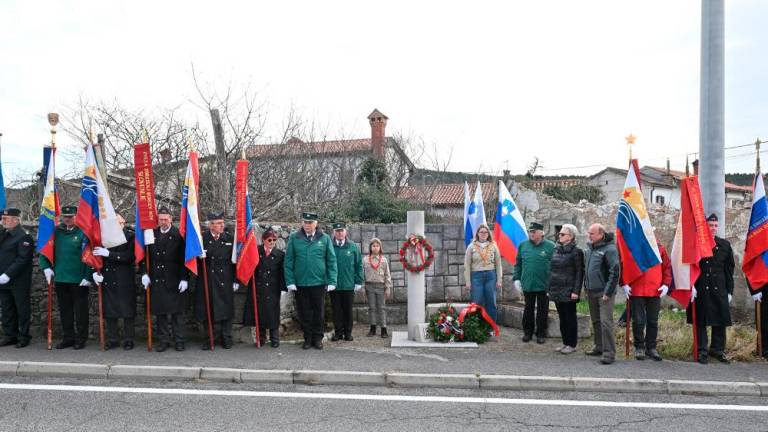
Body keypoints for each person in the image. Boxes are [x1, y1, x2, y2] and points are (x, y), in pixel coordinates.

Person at [40, 206, 93, 350]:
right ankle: (68, 337)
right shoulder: (56, 232)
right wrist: (45, 267)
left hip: (78, 278)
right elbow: (45, 249)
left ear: (77, 216)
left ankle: (81, 338)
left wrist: (88, 276)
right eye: (65, 216)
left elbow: (90, 255)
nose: (67, 219)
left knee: (81, 311)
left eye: (70, 216)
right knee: (65, 311)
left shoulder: (84, 232)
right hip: (61, 277)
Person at [284, 212, 337, 350]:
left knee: (318, 313)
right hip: (300, 284)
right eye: (305, 222)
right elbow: (288, 261)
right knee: (304, 313)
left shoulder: (324, 238)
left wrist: (332, 280)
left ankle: (317, 339)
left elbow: (331, 260)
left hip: (318, 283)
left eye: (310, 223)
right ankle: (307, 338)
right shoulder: (295, 238)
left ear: (316, 224)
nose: (307, 225)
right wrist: (290, 281)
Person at [688, 213, 734, 364]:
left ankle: (717, 349)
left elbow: (729, 270)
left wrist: (730, 291)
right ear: (705, 226)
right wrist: (691, 286)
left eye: (715, 225)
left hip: (719, 287)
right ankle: (702, 350)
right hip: (702, 286)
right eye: (710, 225)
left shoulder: (725, 245)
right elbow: (690, 266)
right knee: (702, 319)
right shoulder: (698, 243)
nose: (713, 228)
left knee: (720, 319)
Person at [141, 207, 189, 352]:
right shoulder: (151, 234)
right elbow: (145, 256)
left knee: (176, 313)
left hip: (173, 279)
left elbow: (184, 259)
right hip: (157, 280)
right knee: (160, 313)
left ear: (171, 219)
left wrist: (184, 278)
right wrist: (144, 273)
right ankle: (163, 340)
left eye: (166, 219)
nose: (163, 222)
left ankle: (179, 340)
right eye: (161, 219)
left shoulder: (178, 235)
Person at [621, 239, 671, 361]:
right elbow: (625, 265)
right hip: (637, 289)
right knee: (638, 320)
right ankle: (639, 347)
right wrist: (624, 282)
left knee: (653, 321)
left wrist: (666, 284)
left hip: (655, 290)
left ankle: (651, 348)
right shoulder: (633, 247)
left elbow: (667, 268)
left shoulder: (660, 248)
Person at [92, 215, 136, 350]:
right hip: (109, 278)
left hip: (124, 278)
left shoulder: (130, 237)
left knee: (127, 311)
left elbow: (129, 257)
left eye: (119, 223)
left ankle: (129, 339)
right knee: (110, 311)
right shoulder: (105, 237)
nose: (117, 226)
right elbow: (96, 256)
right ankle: (112, 339)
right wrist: (94, 271)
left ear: (123, 223)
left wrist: (109, 254)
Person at [195, 211, 238, 350]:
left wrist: (236, 279)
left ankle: (226, 337)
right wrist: (198, 255)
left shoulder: (229, 238)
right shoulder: (202, 238)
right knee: (207, 309)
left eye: (222, 223)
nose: (222, 225)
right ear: (211, 225)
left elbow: (236, 261)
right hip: (207, 278)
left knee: (226, 309)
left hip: (225, 278)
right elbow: (190, 260)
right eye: (219, 223)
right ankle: (209, 338)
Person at [243, 228, 286, 348]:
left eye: (274, 240)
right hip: (258, 287)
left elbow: (282, 272)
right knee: (260, 312)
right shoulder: (256, 252)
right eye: (269, 240)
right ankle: (261, 337)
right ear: (263, 240)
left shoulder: (280, 254)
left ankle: (274, 338)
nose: (272, 242)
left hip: (273, 288)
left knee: (273, 313)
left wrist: (283, 288)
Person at [584, 223, 621, 365]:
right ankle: (598, 346)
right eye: (589, 233)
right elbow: (587, 270)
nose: (589, 235)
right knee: (596, 321)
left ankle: (609, 353)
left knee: (606, 323)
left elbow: (615, 271)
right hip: (591, 291)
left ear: (601, 234)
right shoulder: (590, 248)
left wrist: (608, 292)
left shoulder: (610, 249)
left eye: (592, 233)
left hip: (604, 293)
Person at [513, 221, 555, 344]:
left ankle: (541, 334)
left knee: (543, 310)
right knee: (528, 309)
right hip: (528, 284)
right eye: (530, 232)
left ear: (541, 233)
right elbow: (518, 263)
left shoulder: (551, 246)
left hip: (544, 285)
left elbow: (555, 266)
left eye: (534, 232)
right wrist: (517, 278)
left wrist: (553, 282)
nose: (531, 234)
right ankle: (527, 332)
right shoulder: (523, 245)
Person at [546, 224, 584, 354]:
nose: (559, 236)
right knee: (562, 318)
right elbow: (552, 270)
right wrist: (549, 288)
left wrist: (576, 291)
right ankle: (565, 342)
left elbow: (579, 273)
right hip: (557, 288)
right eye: (559, 234)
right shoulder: (556, 249)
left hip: (569, 290)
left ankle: (572, 344)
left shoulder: (576, 251)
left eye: (562, 234)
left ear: (571, 237)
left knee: (570, 318)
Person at [0, 208, 34, 348]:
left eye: (6, 219)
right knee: (7, 309)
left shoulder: (23, 236)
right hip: (2, 279)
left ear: (16, 220)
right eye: (2, 218)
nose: (3, 221)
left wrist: (8, 274)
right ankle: (10, 335)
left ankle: (24, 336)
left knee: (21, 309)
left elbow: (22, 259)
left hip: (18, 280)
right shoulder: (4, 234)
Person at [330, 222, 363, 342]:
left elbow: (359, 265)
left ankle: (348, 333)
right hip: (334, 285)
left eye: (341, 230)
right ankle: (338, 333)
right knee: (336, 310)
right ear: (334, 232)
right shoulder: (330, 246)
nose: (339, 233)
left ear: (345, 232)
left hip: (349, 285)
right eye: (337, 231)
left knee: (348, 310)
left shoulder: (353, 246)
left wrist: (359, 281)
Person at [463, 223, 502, 324]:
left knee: (491, 302)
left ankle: (491, 326)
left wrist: (499, 280)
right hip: (476, 276)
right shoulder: (471, 246)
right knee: (476, 302)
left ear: (488, 233)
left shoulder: (493, 245)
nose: (483, 234)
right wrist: (468, 282)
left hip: (491, 276)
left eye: (486, 232)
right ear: (478, 234)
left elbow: (498, 264)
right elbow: (467, 265)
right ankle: (476, 326)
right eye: (481, 232)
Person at [362, 238, 392, 338]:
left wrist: (388, 287)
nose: (375, 248)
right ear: (370, 247)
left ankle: (384, 329)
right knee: (372, 308)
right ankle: (373, 328)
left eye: (377, 246)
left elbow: (387, 275)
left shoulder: (383, 260)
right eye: (373, 246)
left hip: (380, 287)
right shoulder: (365, 259)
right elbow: (362, 275)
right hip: (369, 286)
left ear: (380, 247)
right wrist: (363, 287)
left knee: (382, 308)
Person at [747, 281, 768, 359]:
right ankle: (765, 349)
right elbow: (751, 271)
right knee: (765, 320)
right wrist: (754, 290)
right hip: (764, 288)